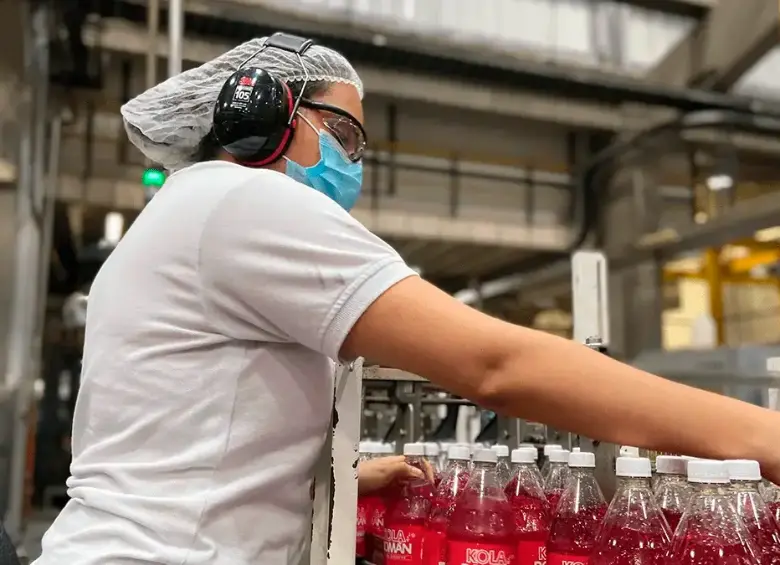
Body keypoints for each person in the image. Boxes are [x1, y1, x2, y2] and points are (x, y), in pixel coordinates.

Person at [33, 33, 780, 565]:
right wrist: (757, 435)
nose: (352, 164)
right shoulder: (244, 203)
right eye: (344, 135)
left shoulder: (190, 211)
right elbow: (493, 364)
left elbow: (183, 445)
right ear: (262, 117)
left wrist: (345, 477)